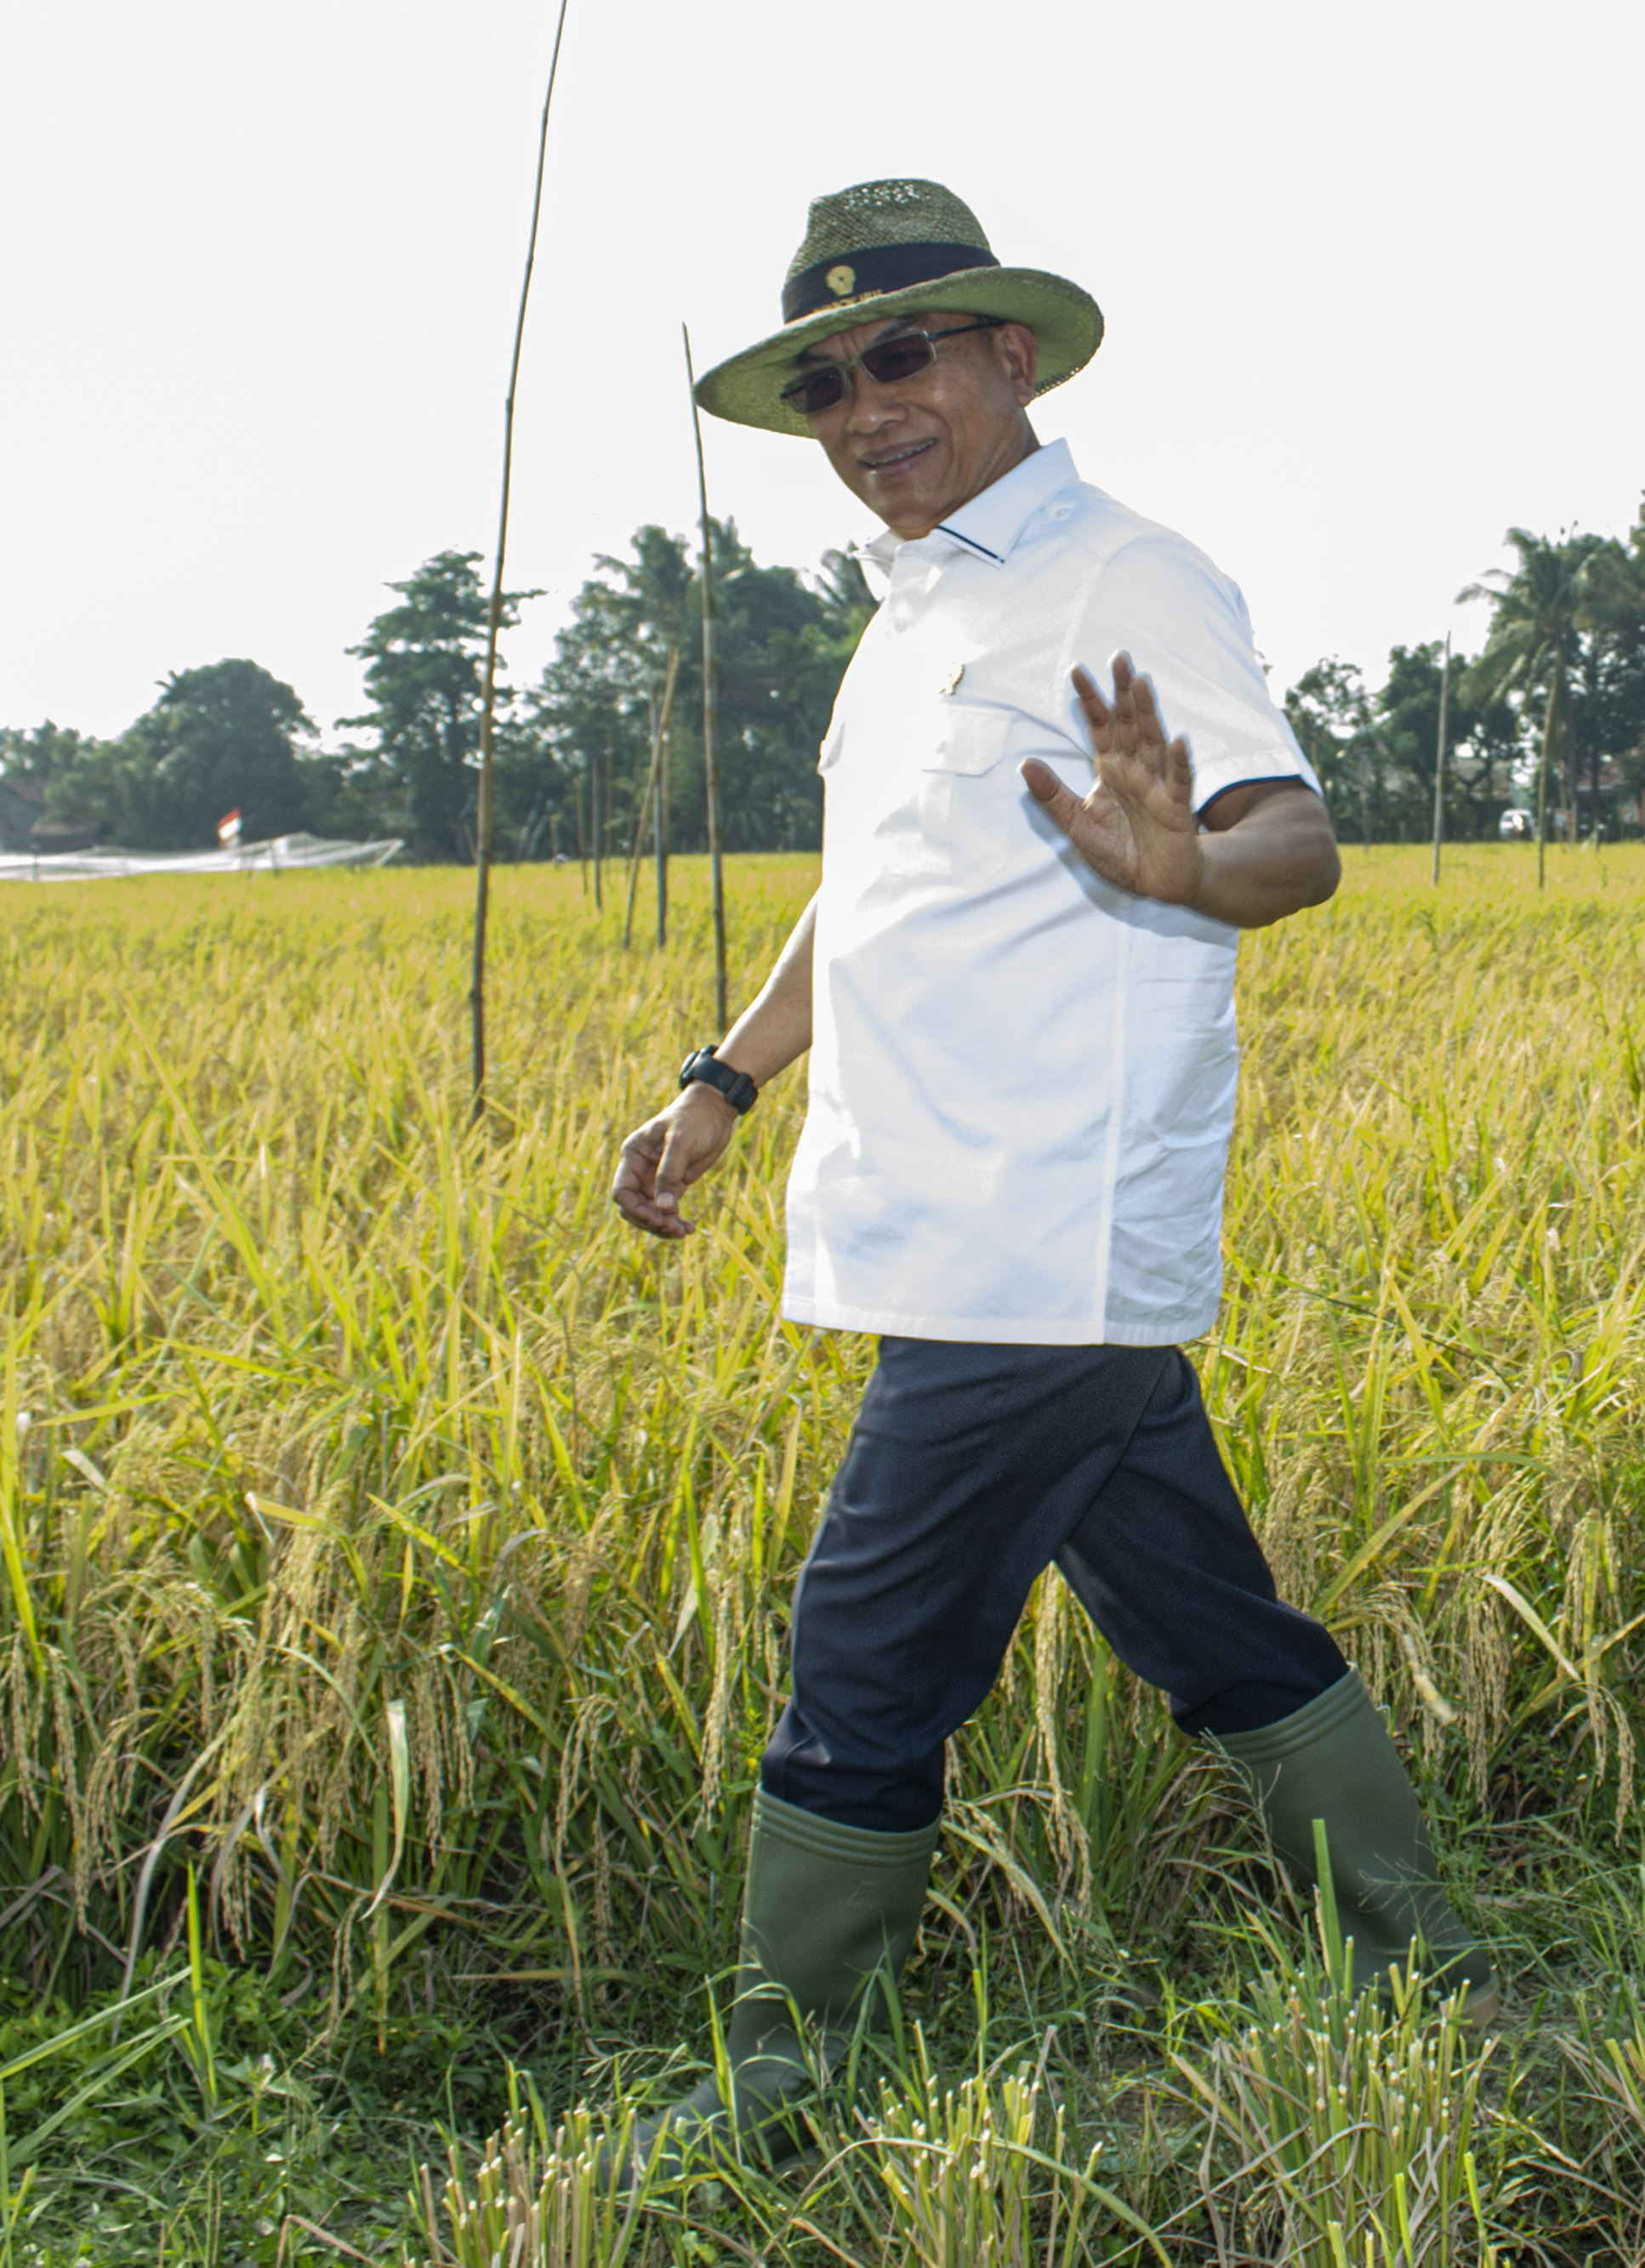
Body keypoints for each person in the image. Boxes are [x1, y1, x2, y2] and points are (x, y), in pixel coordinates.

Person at [609, 179, 1491, 2174]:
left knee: (862, 1658)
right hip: (946, 1226)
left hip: (1038, 1241)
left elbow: (1295, 837)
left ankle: (785, 2074)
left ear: (1008, 355)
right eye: (824, 378)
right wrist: (723, 1082)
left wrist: (1190, 867)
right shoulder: (916, 619)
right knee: (1206, 1622)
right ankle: (1419, 1954)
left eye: (898, 355)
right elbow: (872, 896)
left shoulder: (1121, 579)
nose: (860, 407)